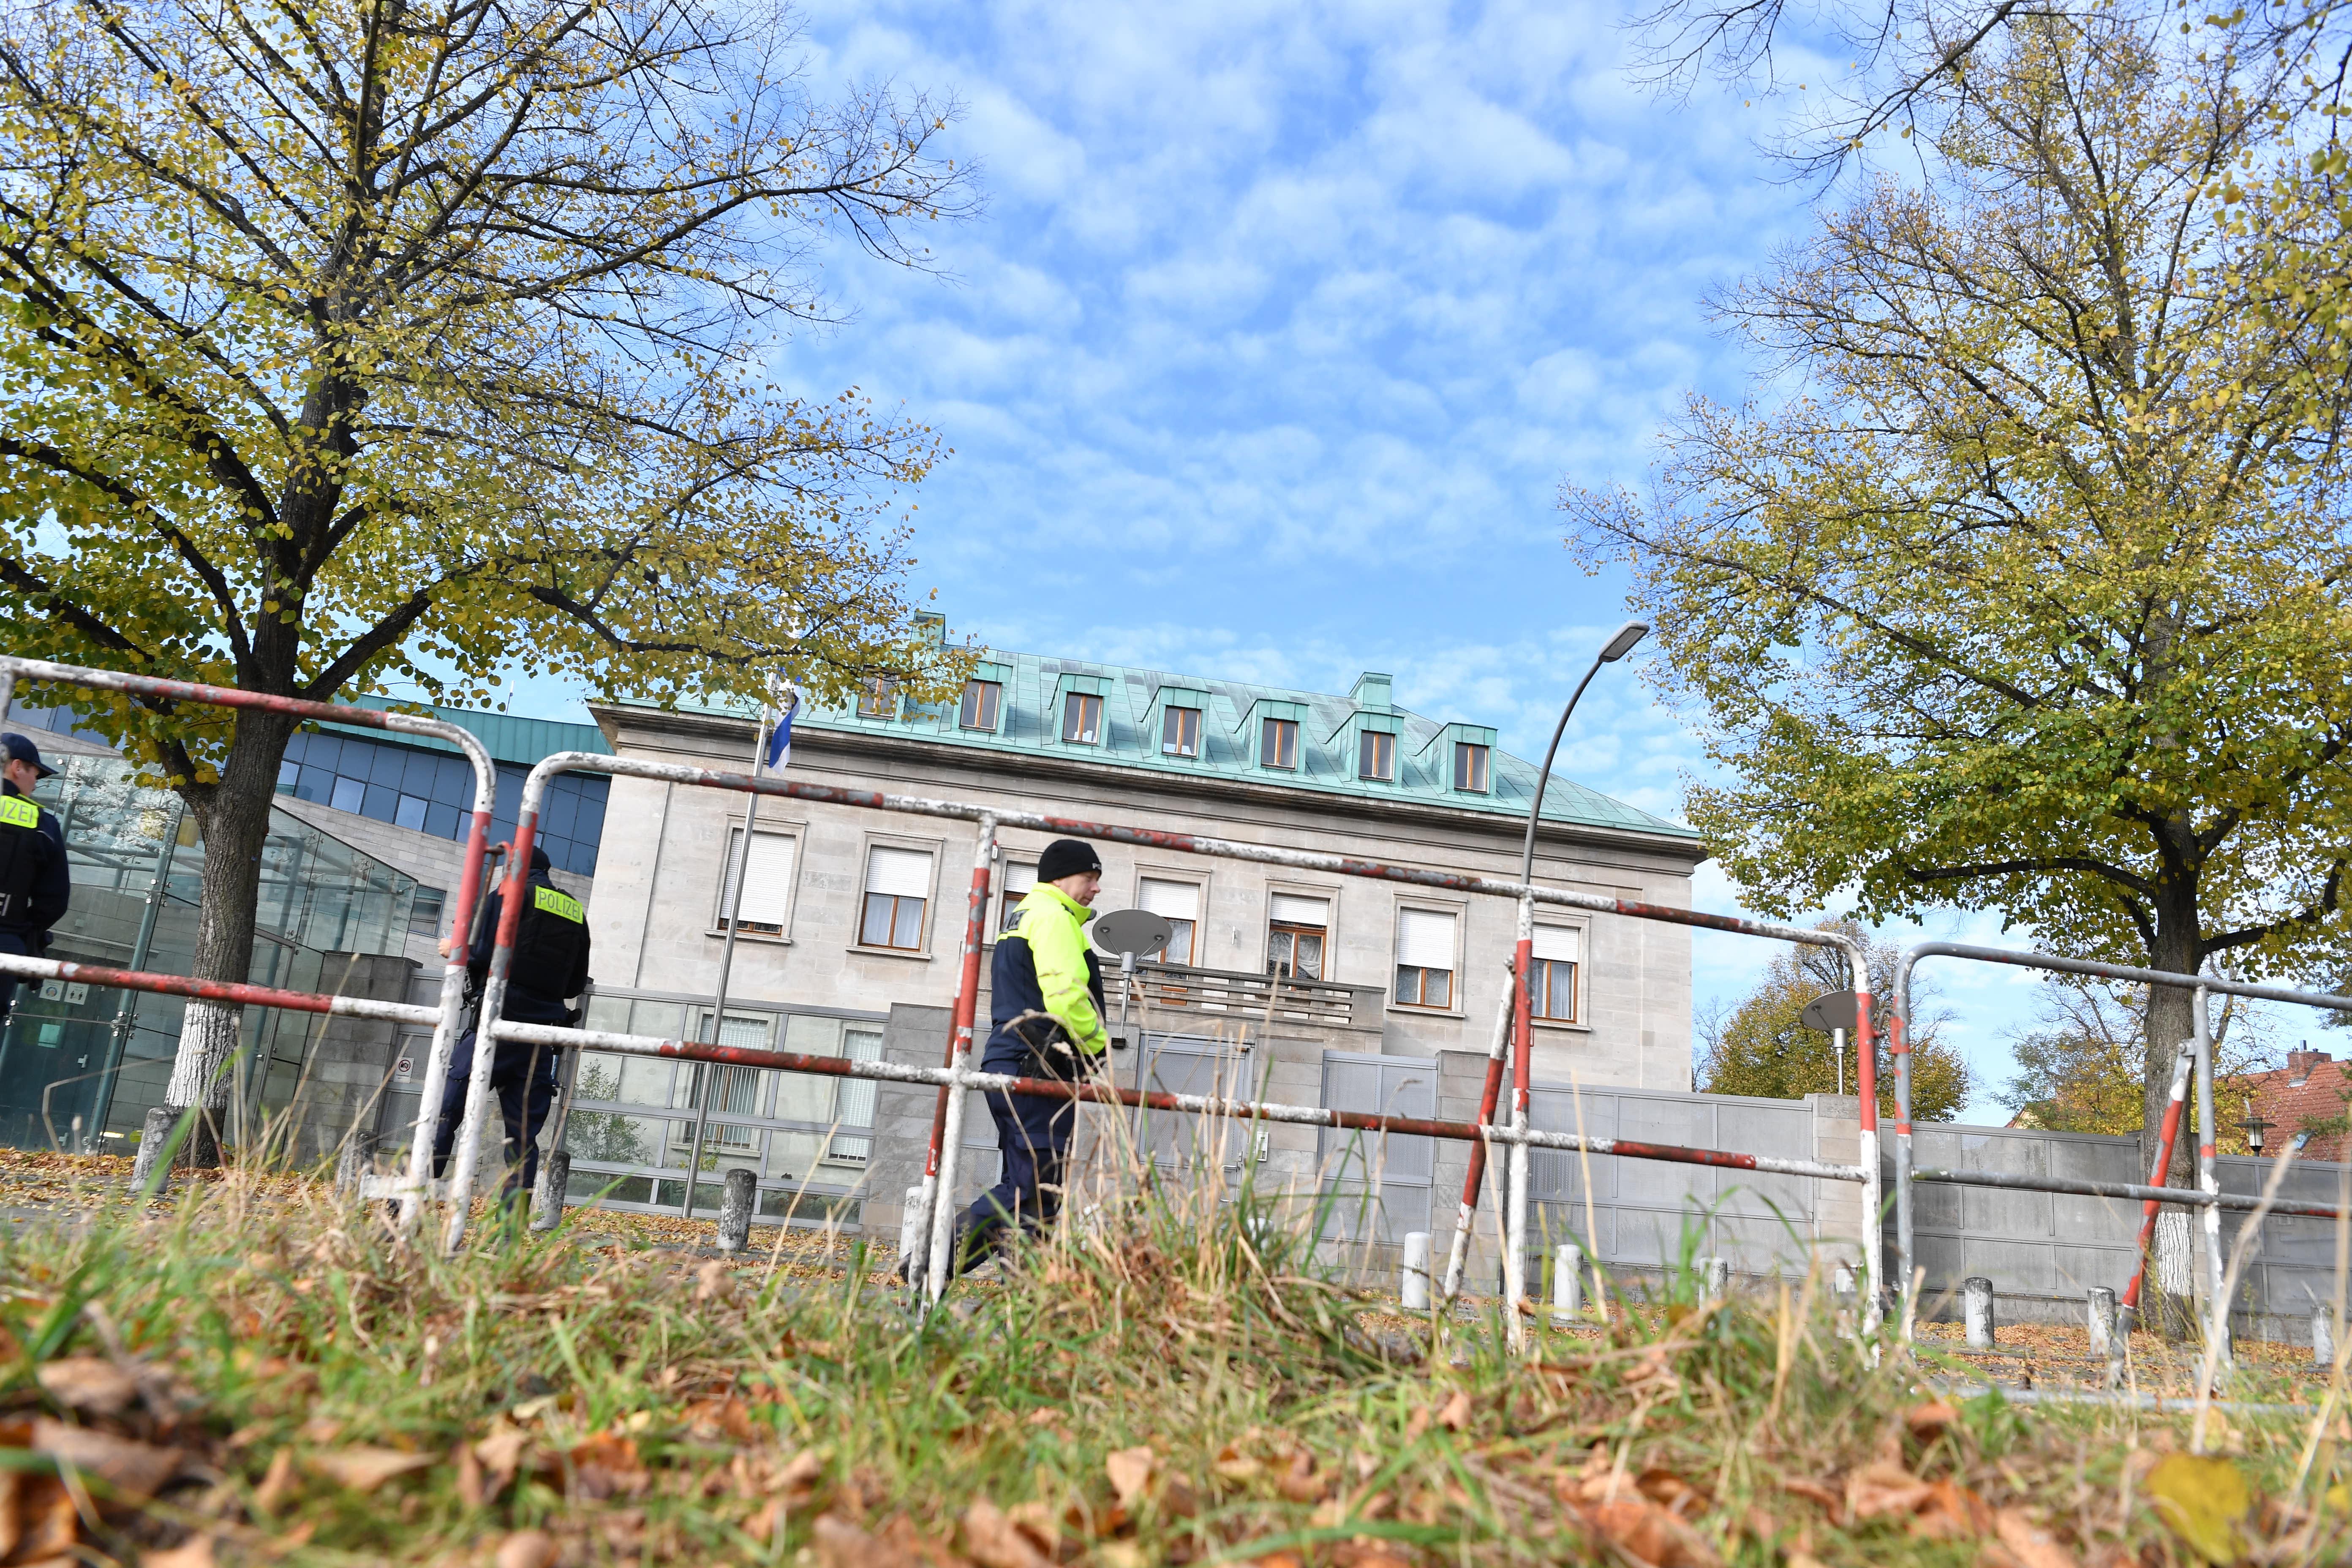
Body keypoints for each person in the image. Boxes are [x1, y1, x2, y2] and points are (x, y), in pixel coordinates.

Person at [950, 836, 1109, 1275]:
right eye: (1090, 878)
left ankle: (1027, 1292)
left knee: (1032, 1190)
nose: (1096, 888)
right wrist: (1097, 1047)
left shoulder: (1023, 916)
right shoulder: (1054, 918)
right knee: (1034, 1192)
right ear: (1061, 878)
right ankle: (932, 1260)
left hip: (1013, 1064)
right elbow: (1066, 997)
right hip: (1036, 1068)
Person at [430, 844, 591, 1205]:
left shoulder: (507, 894)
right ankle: (510, 1232)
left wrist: (452, 948)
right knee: (522, 1143)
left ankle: (403, 1210)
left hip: (494, 1025)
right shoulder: (575, 911)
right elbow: (574, 985)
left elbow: (483, 951)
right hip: (540, 1038)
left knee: (443, 1114)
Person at [0, 734, 69, 1029]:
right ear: (17, 767)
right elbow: (54, 901)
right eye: (35, 774)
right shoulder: (42, 824)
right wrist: (22, 928)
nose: (36, 783)